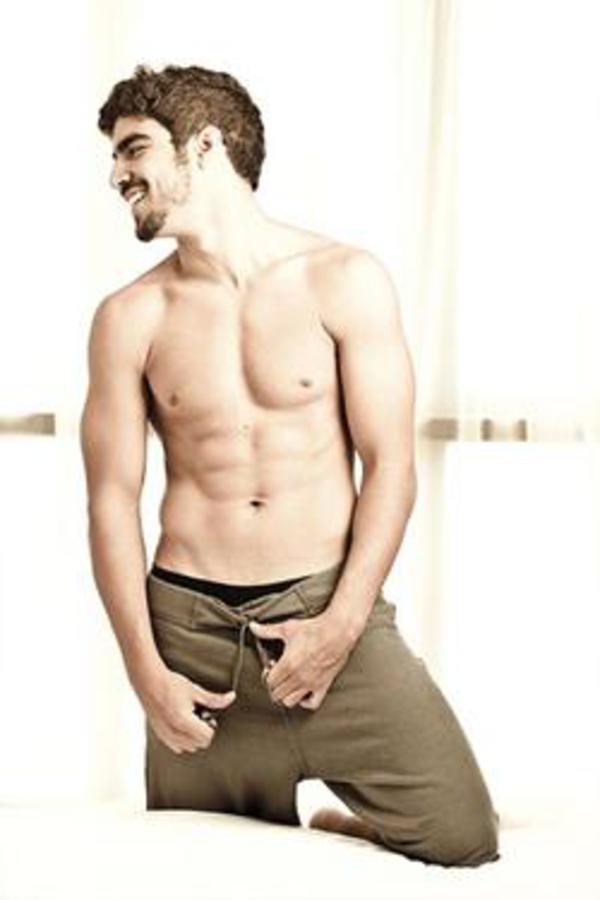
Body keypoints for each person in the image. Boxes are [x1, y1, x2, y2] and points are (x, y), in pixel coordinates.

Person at [80, 63, 501, 867]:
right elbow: (110, 501)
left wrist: (342, 625)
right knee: (199, 866)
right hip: (190, 634)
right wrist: (144, 672)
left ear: (205, 146)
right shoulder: (129, 317)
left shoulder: (343, 279)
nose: (117, 175)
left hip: (325, 608)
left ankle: (344, 820)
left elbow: (390, 465)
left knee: (461, 837)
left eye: (134, 149)